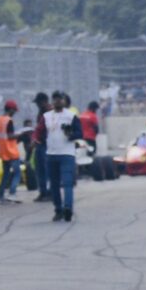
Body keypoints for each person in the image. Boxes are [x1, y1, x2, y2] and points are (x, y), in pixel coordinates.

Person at [40, 90, 81, 223]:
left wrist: (71, 134)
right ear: (52, 101)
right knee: (54, 185)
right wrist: (36, 140)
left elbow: (80, 133)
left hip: (67, 154)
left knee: (67, 183)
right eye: (55, 99)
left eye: (60, 99)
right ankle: (58, 209)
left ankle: (67, 208)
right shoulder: (46, 116)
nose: (58, 101)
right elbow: (39, 132)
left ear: (64, 101)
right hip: (51, 155)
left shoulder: (71, 116)